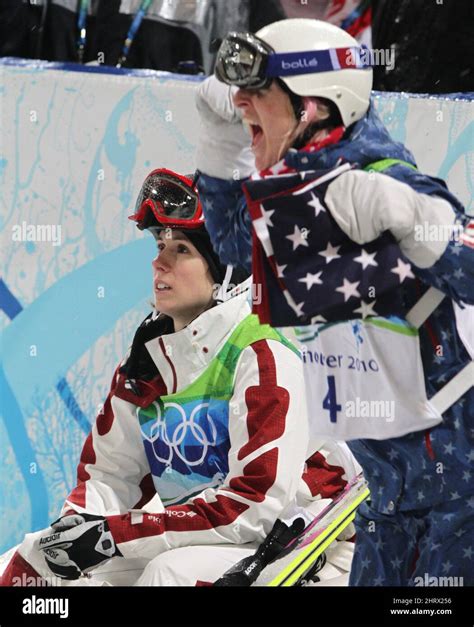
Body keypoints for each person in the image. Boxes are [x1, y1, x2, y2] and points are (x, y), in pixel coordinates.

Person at [194, 18, 474, 586]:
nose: (240, 102)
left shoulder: (379, 179)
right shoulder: (300, 186)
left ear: (315, 107)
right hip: (390, 498)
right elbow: (238, 256)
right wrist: (221, 153)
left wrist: (421, 221)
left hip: (458, 501)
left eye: (258, 91)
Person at [0, 168, 355, 587]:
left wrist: (115, 537)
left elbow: (255, 506)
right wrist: (73, 534)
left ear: (227, 269)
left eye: (181, 248)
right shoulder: (148, 358)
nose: (159, 260)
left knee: (167, 575)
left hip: (300, 544)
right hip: (205, 534)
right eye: (159, 243)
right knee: (28, 564)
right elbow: (110, 476)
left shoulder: (263, 353)